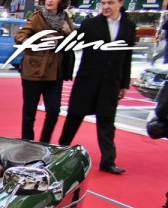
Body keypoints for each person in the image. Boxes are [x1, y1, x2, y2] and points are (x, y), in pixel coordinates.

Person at [57, 0, 135, 174]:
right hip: (87, 81)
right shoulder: (90, 24)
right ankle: (59, 151)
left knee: (107, 121)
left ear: (120, 3)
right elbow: (73, 44)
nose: (106, 6)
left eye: (110, 2)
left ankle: (108, 161)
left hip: (111, 83)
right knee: (74, 118)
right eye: (103, 3)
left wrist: (124, 83)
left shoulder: (129, 26)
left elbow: (127, 56)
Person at [15, 0, 73, 143]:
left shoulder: (65, 19)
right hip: (33, 72)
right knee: (30, 113)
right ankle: (27, 143)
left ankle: (44, 143)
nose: (50, 1)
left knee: (53, 111)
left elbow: (73, 42)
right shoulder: (37, 17)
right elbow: (19, 37)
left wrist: (69, 33)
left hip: (55, 74)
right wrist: (39, 41)